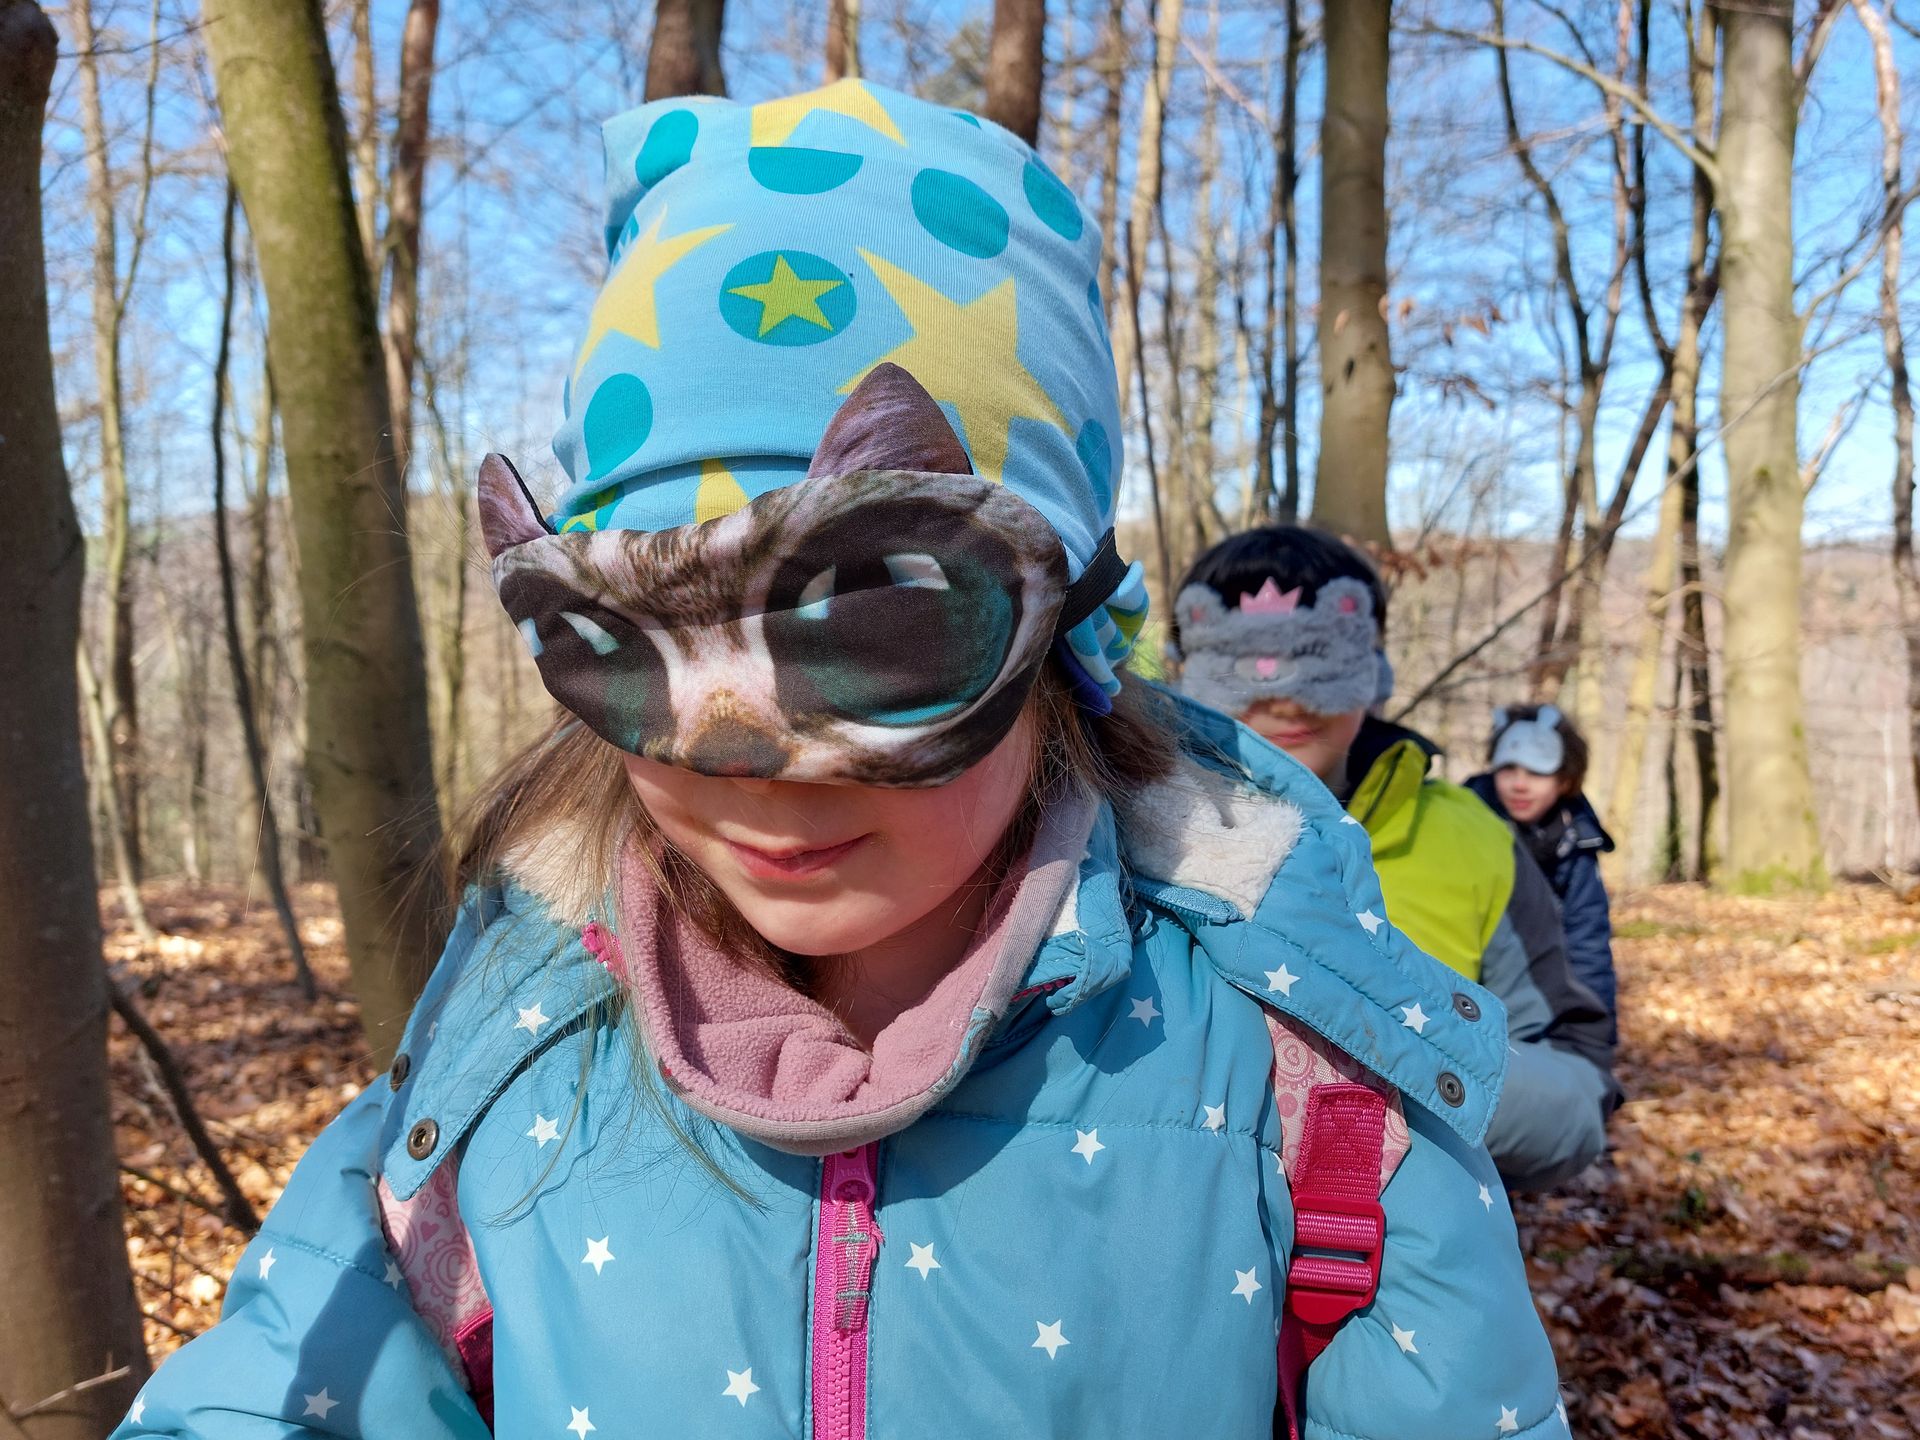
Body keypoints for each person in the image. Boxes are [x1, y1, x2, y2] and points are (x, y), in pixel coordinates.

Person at [113, 83, 1566, 1439]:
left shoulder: (1294, 1078)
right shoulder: (505, 1057)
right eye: (632, 645)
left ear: (1062, 631)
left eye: (876, 636)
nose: (753, 767)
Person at [1171, 526, 1619, 1192]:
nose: (1283, 696)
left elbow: (1575, 1088)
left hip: (1415, 1239)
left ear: (1374, 668)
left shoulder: (1475, 840)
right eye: (1236, 661)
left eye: (1318, 657)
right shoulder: (1118, 832)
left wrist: (1415, 1071)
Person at [1466, 706, 1620, 1040]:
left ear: (1565, 780)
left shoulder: (1576, 842)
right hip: (1464, 1007)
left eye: (1537, 772)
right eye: (1508, 768)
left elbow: (1587, 942)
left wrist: (1594, 1035)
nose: (1519, 784)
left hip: (1540, 1011)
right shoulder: (1460, 823)